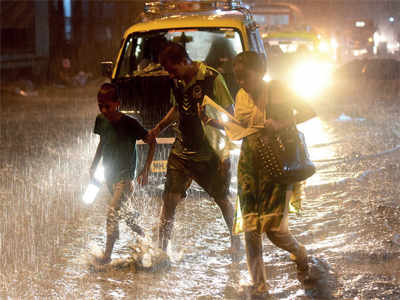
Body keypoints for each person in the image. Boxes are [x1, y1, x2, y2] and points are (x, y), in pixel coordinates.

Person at [199, 51, 316, 298]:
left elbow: (308, 111)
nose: (241, 83)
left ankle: (301, 254)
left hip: (276, 165)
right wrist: (212, 122)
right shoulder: (241, 96)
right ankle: (259, 285)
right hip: (249, 166)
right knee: (250, 228)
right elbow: (241, 127)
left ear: (260, 72)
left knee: (275, 230)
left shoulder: (277, 89)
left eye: (245, 77)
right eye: (237, 77)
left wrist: (280, 124)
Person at [148, 42, 241, 260]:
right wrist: (158, 128)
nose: (172, 75)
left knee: (222, 198)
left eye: (174, 70)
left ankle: (237, 242)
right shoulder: (177, 82)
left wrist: (225, 154)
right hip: (181, 150)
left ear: (184, 61)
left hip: (208, 153)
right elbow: (177, 109)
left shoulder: (212, 78)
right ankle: (161, 252)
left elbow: (228, 116)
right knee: (169, 200)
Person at [89, 83, 156, 264]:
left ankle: (107, 256)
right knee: (126, 216)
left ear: (117, 103)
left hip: (125, 180)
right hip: (110, 178)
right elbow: (102, 143)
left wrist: (146, 169)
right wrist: (93, 166)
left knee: (112, 212)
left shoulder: (129, 124)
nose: (103, 110)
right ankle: (149, 242)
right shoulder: (101, 120)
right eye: (100, 105)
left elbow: (152, 141)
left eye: (107, 106)